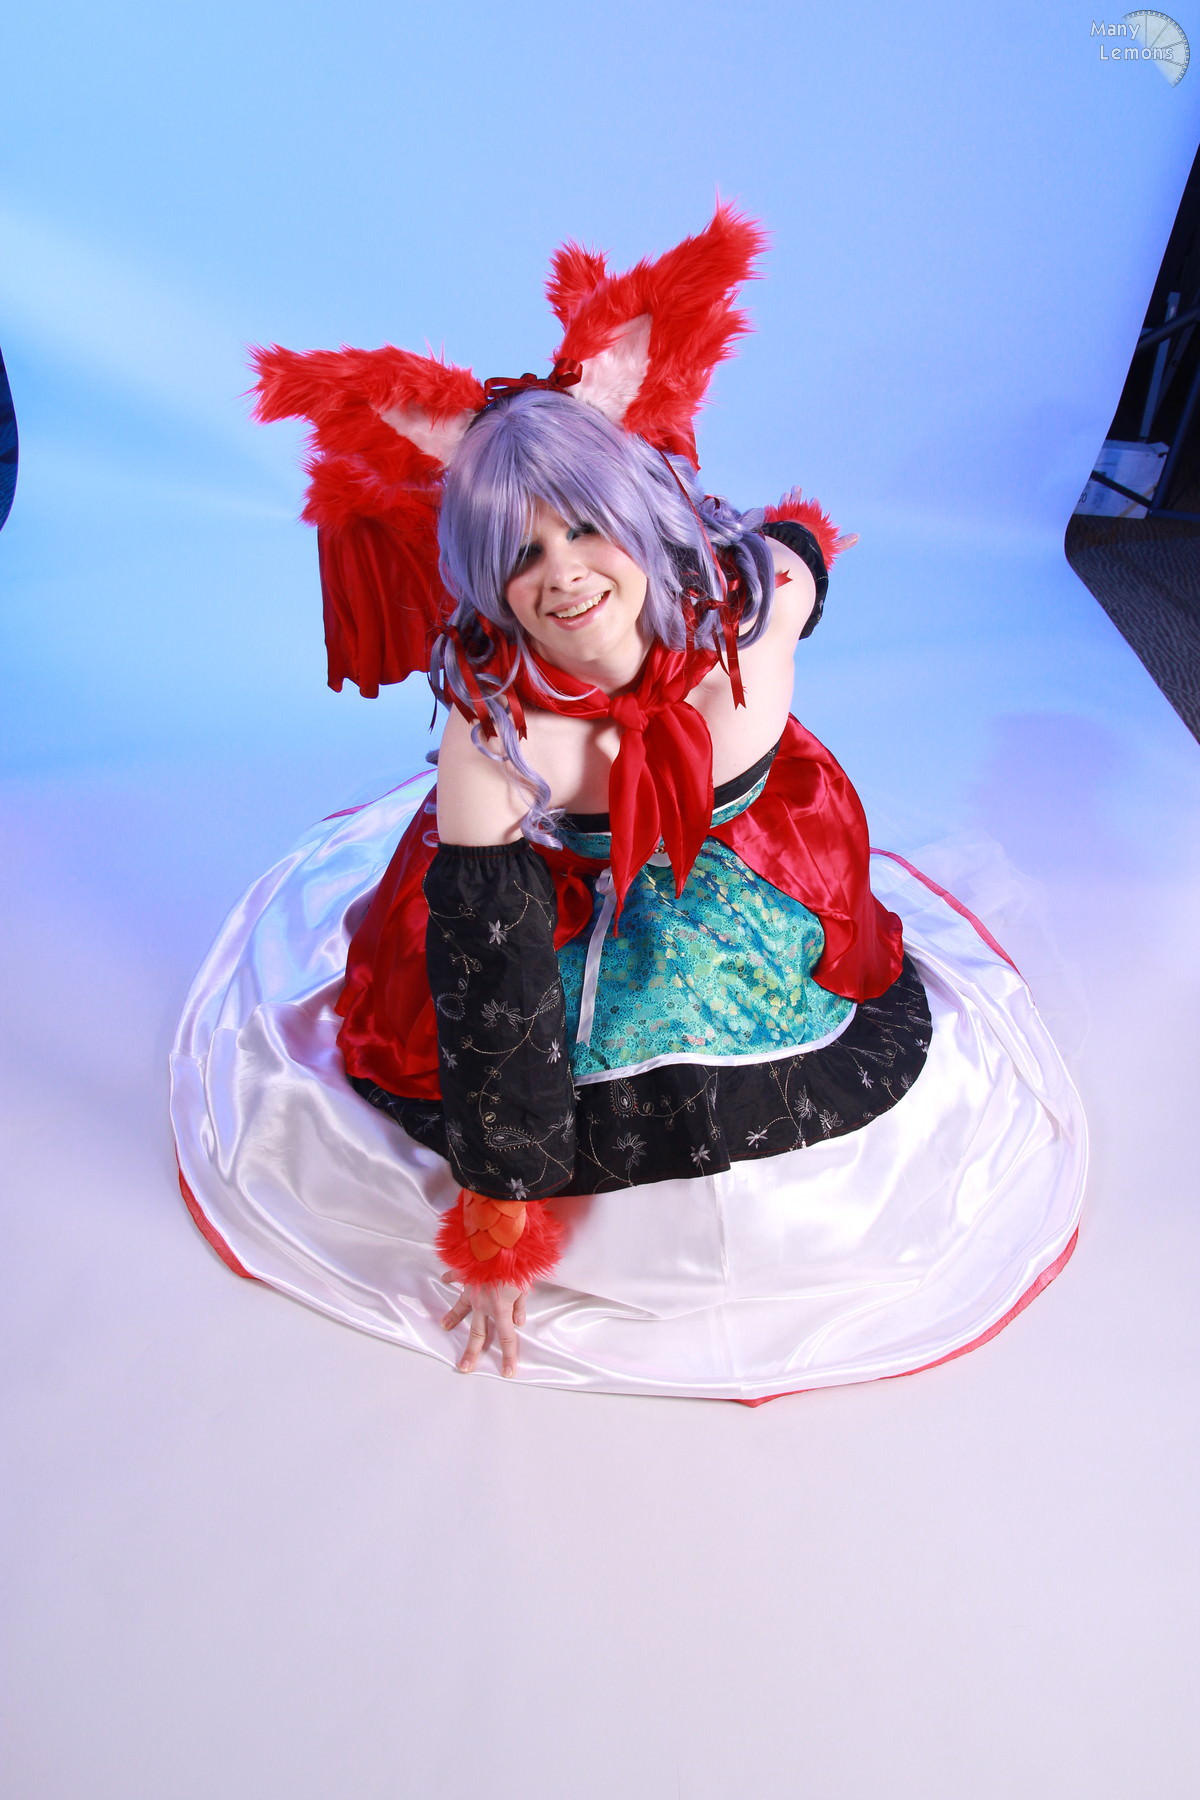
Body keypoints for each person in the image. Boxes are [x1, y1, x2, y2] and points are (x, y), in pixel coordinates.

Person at [170, 209, 1085, 1399]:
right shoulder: (497, 744)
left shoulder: (754, 606)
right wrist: (497, 1222)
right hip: (565, 910)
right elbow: (492, 988)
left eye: (588, 528)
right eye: (520, 554)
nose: (563, 574)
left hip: (756, 880)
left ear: (643, 517)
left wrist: (791, 559)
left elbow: (799, 545)